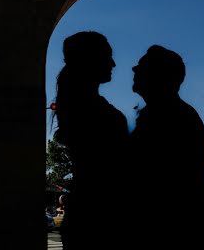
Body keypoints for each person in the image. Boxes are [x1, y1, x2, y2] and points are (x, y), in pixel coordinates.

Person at [131, 44, 204, 249]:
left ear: (161, 76)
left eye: (142, 66)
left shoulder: (165, 117)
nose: (134, 69)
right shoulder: (170, 113)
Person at [52, 31, 128, 249]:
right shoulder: (95, 111)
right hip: (102, 218)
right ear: (90, 60)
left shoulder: (77, 107)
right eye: (107, 56)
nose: (113, 63)